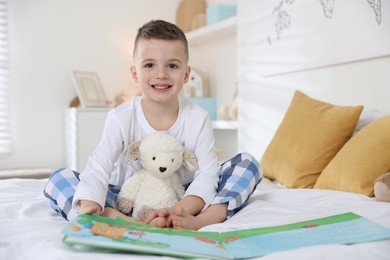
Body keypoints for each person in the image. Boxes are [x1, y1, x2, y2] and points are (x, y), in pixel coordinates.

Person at [44, 19, 262, 230]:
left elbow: (207, 174)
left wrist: (178, 210)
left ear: (186, 74)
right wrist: (91, 202)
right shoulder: (121, 117)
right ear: (134, 74)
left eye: (172, 66)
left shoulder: (198, 118)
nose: (161, 74)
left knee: (247, 164)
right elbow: (99, 167)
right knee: (59, 179)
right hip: (127, 199)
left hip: (183, 199)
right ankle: (113, 218)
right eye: (149, 65)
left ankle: (202, 221)